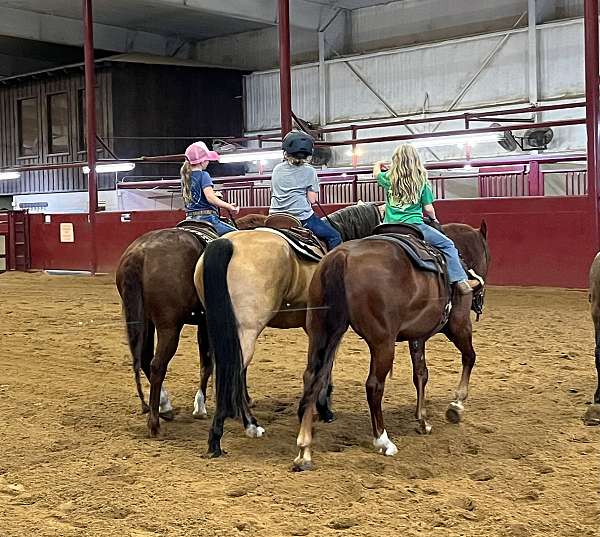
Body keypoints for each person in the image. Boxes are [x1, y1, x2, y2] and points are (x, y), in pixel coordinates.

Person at [373, 144, 481, 295]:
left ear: (396, 161)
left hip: (388, 226)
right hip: (413, 226)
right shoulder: (422, 181)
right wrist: (434, 219)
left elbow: (376, 174)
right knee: (447, 244)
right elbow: (429, 208)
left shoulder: (388, 178)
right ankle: (460, 281)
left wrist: (378, 164)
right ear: (416, 160)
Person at [270, 131, 342, 250]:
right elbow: (312, 200)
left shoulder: (277, 169)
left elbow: (273, 190)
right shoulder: (309, 171)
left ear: (286, 152)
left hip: (275, 215)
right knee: (334, 236)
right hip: (301, 217)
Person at [181, 141, 239, 236]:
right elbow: (210, 198)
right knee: (237, 235)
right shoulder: (204, 175)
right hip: (207, 218)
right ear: (202, 161)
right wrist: (229, 206)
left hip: (189, 219)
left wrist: (213, 194)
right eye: (207, 159)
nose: (208, 162)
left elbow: (196, 195)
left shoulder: (185, 178)